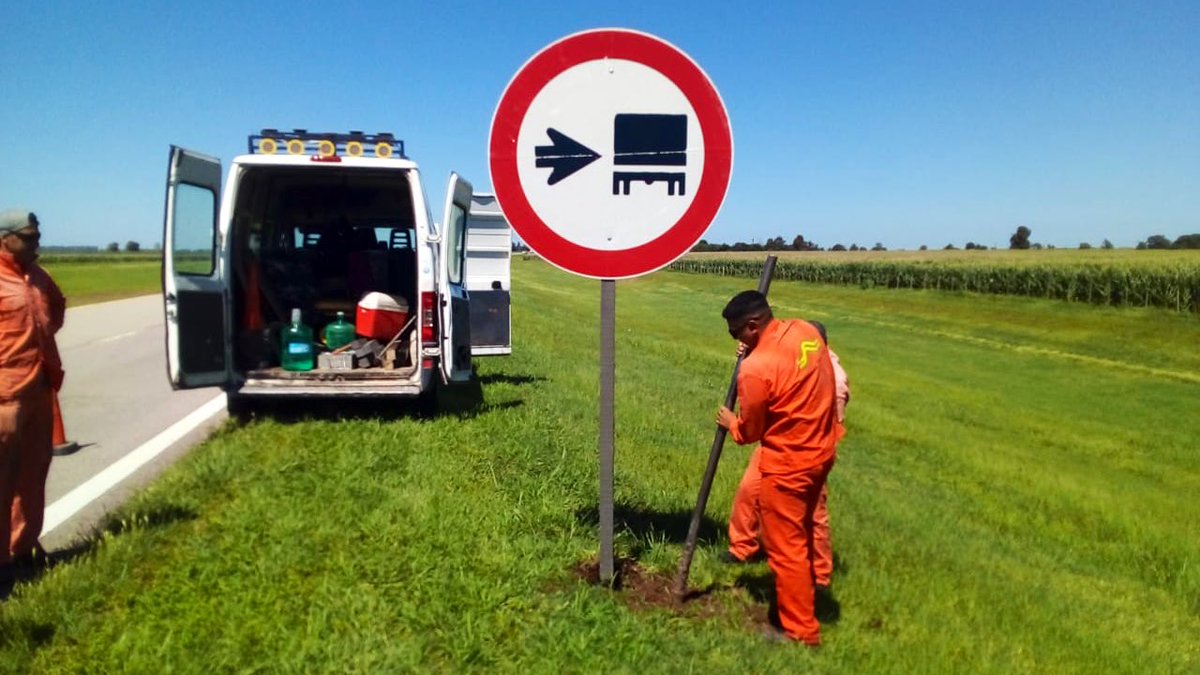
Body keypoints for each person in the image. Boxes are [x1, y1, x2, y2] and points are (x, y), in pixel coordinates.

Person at [715, 291, 842, 646]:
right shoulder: (806, 332)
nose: (736, 340)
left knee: (785, 550)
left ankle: (800, 631)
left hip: (787, 465)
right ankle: (817, 583)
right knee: (805, 529)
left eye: (735, 332)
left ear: (753, 326)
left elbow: (751, 430)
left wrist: (732, 424)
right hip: (822, 450)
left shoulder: (755, 369)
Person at [724, 321, 850, 595]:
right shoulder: (799, 356)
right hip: (775, 442)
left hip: (807, 452)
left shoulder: (833, 377)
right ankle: (742, 548)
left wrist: (737, 424)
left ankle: (820, 577)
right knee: (749, 491)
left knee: (813, 513)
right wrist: (751, 352)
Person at [0, 209, 65, 574]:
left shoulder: (39, 276)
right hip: (5, 395)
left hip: (39, 390)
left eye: (37, 236)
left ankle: (24, 549)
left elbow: (56, 307)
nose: (35, 243)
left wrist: (38, 337)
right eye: (27, 237)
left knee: (33, 474)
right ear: (5, 238)